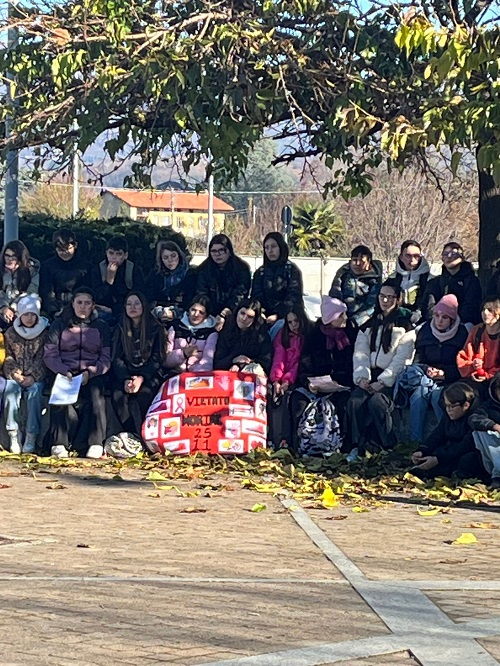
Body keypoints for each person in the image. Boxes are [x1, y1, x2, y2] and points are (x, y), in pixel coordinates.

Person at [345, 279, 415, 456]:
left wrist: (384, 381)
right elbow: (360, 353)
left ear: (397, 299)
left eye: (390, 297)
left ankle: (388, 446)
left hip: (391, 378)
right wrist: (362, 377)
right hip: (369, 375)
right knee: (355, 401)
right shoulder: (369, 323)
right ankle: (356, 446)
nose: (385, 301)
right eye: (382, 296)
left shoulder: (405, 325)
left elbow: (402, 358)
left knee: (377, 402)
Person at [43, 287, 111, 459]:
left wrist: (91, 373)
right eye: (79, 302)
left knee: (97, 395)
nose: (83, 307)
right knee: (59, 395)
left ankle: (96, 443)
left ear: (93, 306)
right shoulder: (59, 324)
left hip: (91, 373)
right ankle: (58, 443)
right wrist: (63, 371)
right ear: (72, 304)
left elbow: (105, 357)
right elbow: (50, 355)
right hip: (65, 372)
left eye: (87, 303)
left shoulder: (101, 326)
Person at [396, 294, 468, 445]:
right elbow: (419, 358)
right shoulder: (426, 330)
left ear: (452, 319)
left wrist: (445, 374)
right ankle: (415, 443)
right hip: (427, 377)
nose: (439, 320)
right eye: (437, 316)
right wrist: (427, 369)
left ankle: (446, 440)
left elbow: (463, 365)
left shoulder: (462, 334)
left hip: (450, 380)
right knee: (418, 396)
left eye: (445, 317)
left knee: (438, 397)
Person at [289, 296, 356, 452]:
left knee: (344, 403)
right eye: (341, 315)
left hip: (342, 385)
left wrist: (340, 382)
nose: (345, 318)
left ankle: (341, 446)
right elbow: (304, 364)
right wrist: (308, 383)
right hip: (316, 384)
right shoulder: (314, 336)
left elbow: (353, 364)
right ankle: (298, 444)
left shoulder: (350, 334)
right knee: (298, 400)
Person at [109, 291, 163, 437]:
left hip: (148, 374)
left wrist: (141, 378)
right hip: (126, 372)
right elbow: (117, 358)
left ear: (143, 306)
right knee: (118, 396)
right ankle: (131, 434)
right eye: (129, 304)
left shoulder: (156, 328)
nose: (132, 307)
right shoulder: (120, 328)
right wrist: (126, 378)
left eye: (136, 304)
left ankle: (147, 434)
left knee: (145, 395)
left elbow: (157, 359)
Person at [3, 295, 49, 454]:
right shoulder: (11, 333)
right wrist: (15, 374)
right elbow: (8, 356)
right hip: (16, 376)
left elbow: (43, 358)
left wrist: (33, 376)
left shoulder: (44, 333)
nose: (29, 318)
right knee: (10, 392)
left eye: (32, 314)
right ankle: (13, 433)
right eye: (26, 314)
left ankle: (31, 435)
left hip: (35, 377)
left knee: (35, 393)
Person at [410, 382, 480, 480]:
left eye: (452, 406)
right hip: (448, 451)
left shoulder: (475, 418)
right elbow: (437, 435)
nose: (448, 410)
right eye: (446, 406)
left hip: (466, 453)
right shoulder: (448, 416)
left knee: (468, 459)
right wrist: (422, 450)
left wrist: (439, 458)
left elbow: (466, 445)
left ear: (466, 405)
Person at [268, 306, 311, 449]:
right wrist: (276, 380)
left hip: (298, 377)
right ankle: (275, 438)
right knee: (272, 395)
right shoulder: (283, 335)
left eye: (296, 321)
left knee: (289, 397)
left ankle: (288, 440)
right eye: (290, 322)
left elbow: (299, 362)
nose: (294, 325)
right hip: (282, 376)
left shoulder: (307, 337)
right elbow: (279, 358)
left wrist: (287, 380)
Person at [196, 234, 251, 331]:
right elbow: (202, 293)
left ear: (229, 251)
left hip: (234, 312)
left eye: (221, 250)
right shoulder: (203, 269)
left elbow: (240, 294)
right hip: (209, 313)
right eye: (214, 251)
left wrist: (226, 312)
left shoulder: (241, 268)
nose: (217, 254)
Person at [422, 241, 481, 327]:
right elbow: (429, 306)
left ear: (462, 258)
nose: (449, 257)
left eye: (454, 254)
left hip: (463, 323)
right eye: (445, 254)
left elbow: (471, 307)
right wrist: (438, 318)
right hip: (438, 322)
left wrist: (452, 320)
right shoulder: (435, 283)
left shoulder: (472, 281)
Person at [250, 232, 304, 327]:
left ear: (281, 247)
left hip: (288, 319)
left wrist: (278, 315)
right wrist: (260, 313)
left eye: (273, 246)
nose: (270, 251)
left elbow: (294, 297)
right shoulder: (260, 273)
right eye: (266, 247)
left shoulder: (291, 270)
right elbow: (256, 297)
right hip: (263, 318)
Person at [90, 236, 144, 324]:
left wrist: (114, 309)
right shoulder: (98, 269)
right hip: (103, 309)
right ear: (106, 253)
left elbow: (138, 295)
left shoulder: (134, 269)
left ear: (125, 255)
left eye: (118, 254)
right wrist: (109, 281)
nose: (114, 257)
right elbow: (97, 296)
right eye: (111, 253)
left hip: (125, 309)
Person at [213, 298, 272, 375]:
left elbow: (266, 363)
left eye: (250, 317)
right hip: (227, 374)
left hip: (251, 373)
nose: (244, 318)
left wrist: (244, 363)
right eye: (242, 313)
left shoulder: (262, 336)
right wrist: (233, 360)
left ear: (254, 320)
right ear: (237, 312)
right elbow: (217, 363)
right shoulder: (226, 330)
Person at [39, 228, 89, 319]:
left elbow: (88, 291)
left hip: (80, 307)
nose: (65, 253)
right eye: (60, 250)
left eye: (68, 249)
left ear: (75, 245)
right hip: (55, 309)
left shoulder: (86, 266)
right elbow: (46, 293)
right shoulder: (47, 266)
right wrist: (54, 311)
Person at [328, 245, 383, 328]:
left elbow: (372, 305)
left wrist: (355, 321)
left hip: (364, 322)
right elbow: (334, 295)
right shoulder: (343, 273)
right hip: (341, 319)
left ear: (368, 262)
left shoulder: (375, 279)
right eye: (354, 260)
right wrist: (338, 316)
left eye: (362, 261)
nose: (357, 264)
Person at [457, 297, 500, 400]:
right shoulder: (477, 331)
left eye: (490, 310)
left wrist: (488, 375)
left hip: (496, 381)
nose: (485, 313)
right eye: (483, 309)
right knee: (454, 394)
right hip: (474, 378)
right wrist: (473, 366)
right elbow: (463, 357)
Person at [144, 240, 198, 324]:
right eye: (165, 257)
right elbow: (148, 297)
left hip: (184, 319)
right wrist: (158, 311)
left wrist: (175, 312)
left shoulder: (190, 274)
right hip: (158, 318)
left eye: (173, 256)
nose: (170, 260)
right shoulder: (155, 275)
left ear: (179, 255)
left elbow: (193, 300)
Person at [164, 295, 218, 373]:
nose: (196, 314)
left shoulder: (211, 333)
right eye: (193, 310)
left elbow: (207, 362)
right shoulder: (175, 327)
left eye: (201, 312)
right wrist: (183, 353)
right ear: (188, 310)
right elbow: (165, 359)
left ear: (206, 316)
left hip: (196, 375)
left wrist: (193, 376)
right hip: (173, 372)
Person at [0, 240, 40, 329]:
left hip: (23, 308)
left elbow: (32, 292)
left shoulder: (32, 270)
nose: (10, 259)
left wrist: (13, 308)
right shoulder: (1, 269)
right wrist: (3, 307)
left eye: (13, 256)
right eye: (7, 256)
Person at [470, 373, 500, 489]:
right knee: (480, 432)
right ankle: (497, 476)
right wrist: (494, 426)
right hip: (495, 447)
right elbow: (474, 419)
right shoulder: (488, 406)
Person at [390, 240, 431, 323]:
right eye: (408, 256)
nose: (412, 260)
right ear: (401, 257)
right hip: (395, 318)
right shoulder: (393, 278)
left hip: (422, 321)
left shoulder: (430, 279)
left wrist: (419, 312)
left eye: (416, 256)